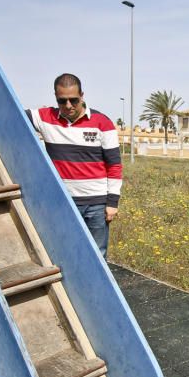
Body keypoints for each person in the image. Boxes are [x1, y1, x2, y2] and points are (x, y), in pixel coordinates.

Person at [27, 73, 121, 257]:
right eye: (62, 101)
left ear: (82, 96)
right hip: (64, 202)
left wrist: (112, 203)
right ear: (55, 97)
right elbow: (9, 112)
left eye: (73, 100)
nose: (68, 106)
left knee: (97, 255)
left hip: (97, 204)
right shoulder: (44, 117)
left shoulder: (103, 123)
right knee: (64, 252)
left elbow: (115, 165)